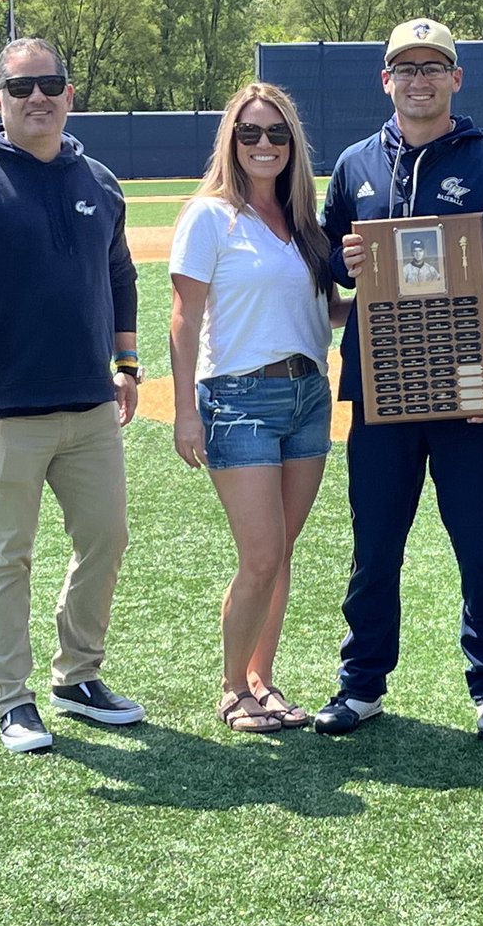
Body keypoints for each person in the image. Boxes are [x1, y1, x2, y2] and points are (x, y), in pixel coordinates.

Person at [316, 17, 483, 742]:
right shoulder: (354, 164)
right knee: (375, 544)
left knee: (480, 543)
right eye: (405, 67)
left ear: (455, 78)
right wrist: (339, 264)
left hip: (469, 390)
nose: (419, 79)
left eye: (433, 66)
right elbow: (325, 254)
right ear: (386, 80)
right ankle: (361, 684)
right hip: (381, 390)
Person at [0, 37, 145, 754]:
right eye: (21, 88)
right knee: (7, 555)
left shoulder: (99, 181)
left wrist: (128, 365)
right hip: (4, 409)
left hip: (88, 405)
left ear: (70, 94)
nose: (37, 97)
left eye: (50, 84)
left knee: (106, 537)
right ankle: (12, 698)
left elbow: (122, 278)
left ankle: (77, 675)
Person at [169, 82, 349, 733]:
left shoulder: (306, 224)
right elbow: (184, 317)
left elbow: (319, 311)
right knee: (261, 555)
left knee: (283, 550)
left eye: (277, 133)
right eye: (250, 133)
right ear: (232, 141)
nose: (264, 144)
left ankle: (260, 679)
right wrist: (186, 410)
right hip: (238, 397)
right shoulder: (209, 216)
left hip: (308, 394)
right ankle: (229, 688)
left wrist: (385, 293)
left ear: (293, 143)